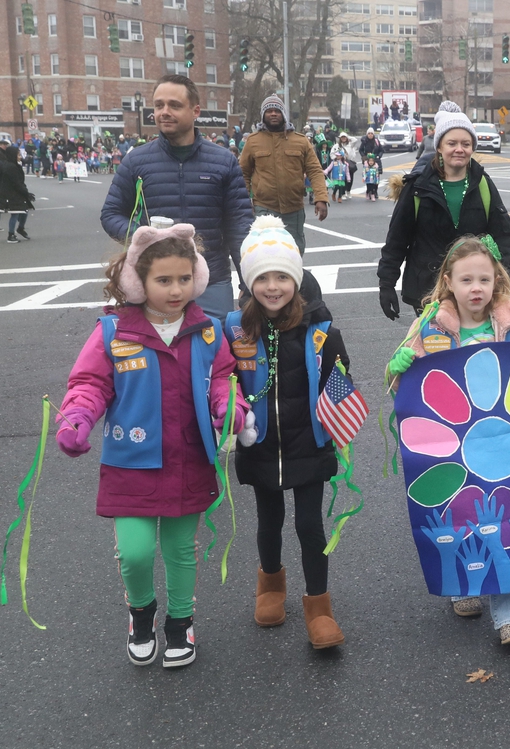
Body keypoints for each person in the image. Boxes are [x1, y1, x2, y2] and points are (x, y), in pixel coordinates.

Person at [56, 222, 247, 667]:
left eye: (184, 278)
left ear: (197, 277)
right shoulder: (112, 333)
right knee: (136, 552)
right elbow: (88, 384)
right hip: (131, 462)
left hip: (188, 459)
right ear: (138, 282)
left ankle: (181, 623)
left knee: (181, 550)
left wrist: (228, 406)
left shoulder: (207, 331)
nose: (176, 289)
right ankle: (140, 614)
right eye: (164, 280)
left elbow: (222, 378)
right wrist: (77, 418)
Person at [385, 235, 510, 645]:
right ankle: (464, 582)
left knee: (508, 520)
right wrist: (398, 365)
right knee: (460, 515)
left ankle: (509, 613)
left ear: (497, 281)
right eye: (466, 279)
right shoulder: (430, 326)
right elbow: (399, 388)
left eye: (484, 279)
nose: (476, 288)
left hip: (506, 443)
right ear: (448, 282)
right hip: (452, 445)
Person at [225, 217, 349, 649]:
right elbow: (225, 382)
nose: (272, 286)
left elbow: (340, 379)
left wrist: (341, 410)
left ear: (297, 279)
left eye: (282, 276)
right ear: (248, 282)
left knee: (311, 525)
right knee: (269, 520)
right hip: (259, 445)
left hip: (309, 443)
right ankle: (270, 587)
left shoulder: (320, 331)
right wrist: (233, 413)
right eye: (262, 277)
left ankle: (319, 606)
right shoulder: (234, 328)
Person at [101, 74, 254, 320]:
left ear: (195, 111)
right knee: (158, 356)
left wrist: (249, 281)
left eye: (174, 105)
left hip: (211, 280)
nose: (164, 112)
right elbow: (111, 213)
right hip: (153, 282)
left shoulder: (224, 161)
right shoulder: (136, 161)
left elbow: (239, 226)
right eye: (159, 105)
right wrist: (142, 235)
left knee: (214, 353)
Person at [378, 104, 510, 320]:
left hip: (474, 291)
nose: (459, 149)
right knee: (437, 350)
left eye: (466, 144)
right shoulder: (417, 188)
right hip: (428, 292)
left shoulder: (482, 184)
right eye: (452, 143)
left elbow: (503, 235)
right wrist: (386, 284)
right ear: (440, 147)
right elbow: (397, 239)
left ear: (472, 148)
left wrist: (507, 275)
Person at [239, 95, 332, 251]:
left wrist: (321, 198)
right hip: (264, 208)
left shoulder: (301, 141)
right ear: (263, 115)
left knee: (294, 251)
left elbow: (315, 171)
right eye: (269, 111)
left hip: (293, 209)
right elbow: (243, 173)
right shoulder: (253, 141)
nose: (273, 114)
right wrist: (244, 202)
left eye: (277, 110)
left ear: (283, 114)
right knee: (265, 251)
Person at [0, 144, 35, 242]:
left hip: (16, 192)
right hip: (11, 194)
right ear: (12, 155)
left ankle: (20, 228)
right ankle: (11, 235)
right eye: (18, 155)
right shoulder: (10, 167)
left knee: (24, 210)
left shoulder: (14, 165)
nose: (20, 157)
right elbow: (16, 183)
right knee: (15, 213)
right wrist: (26, 193)